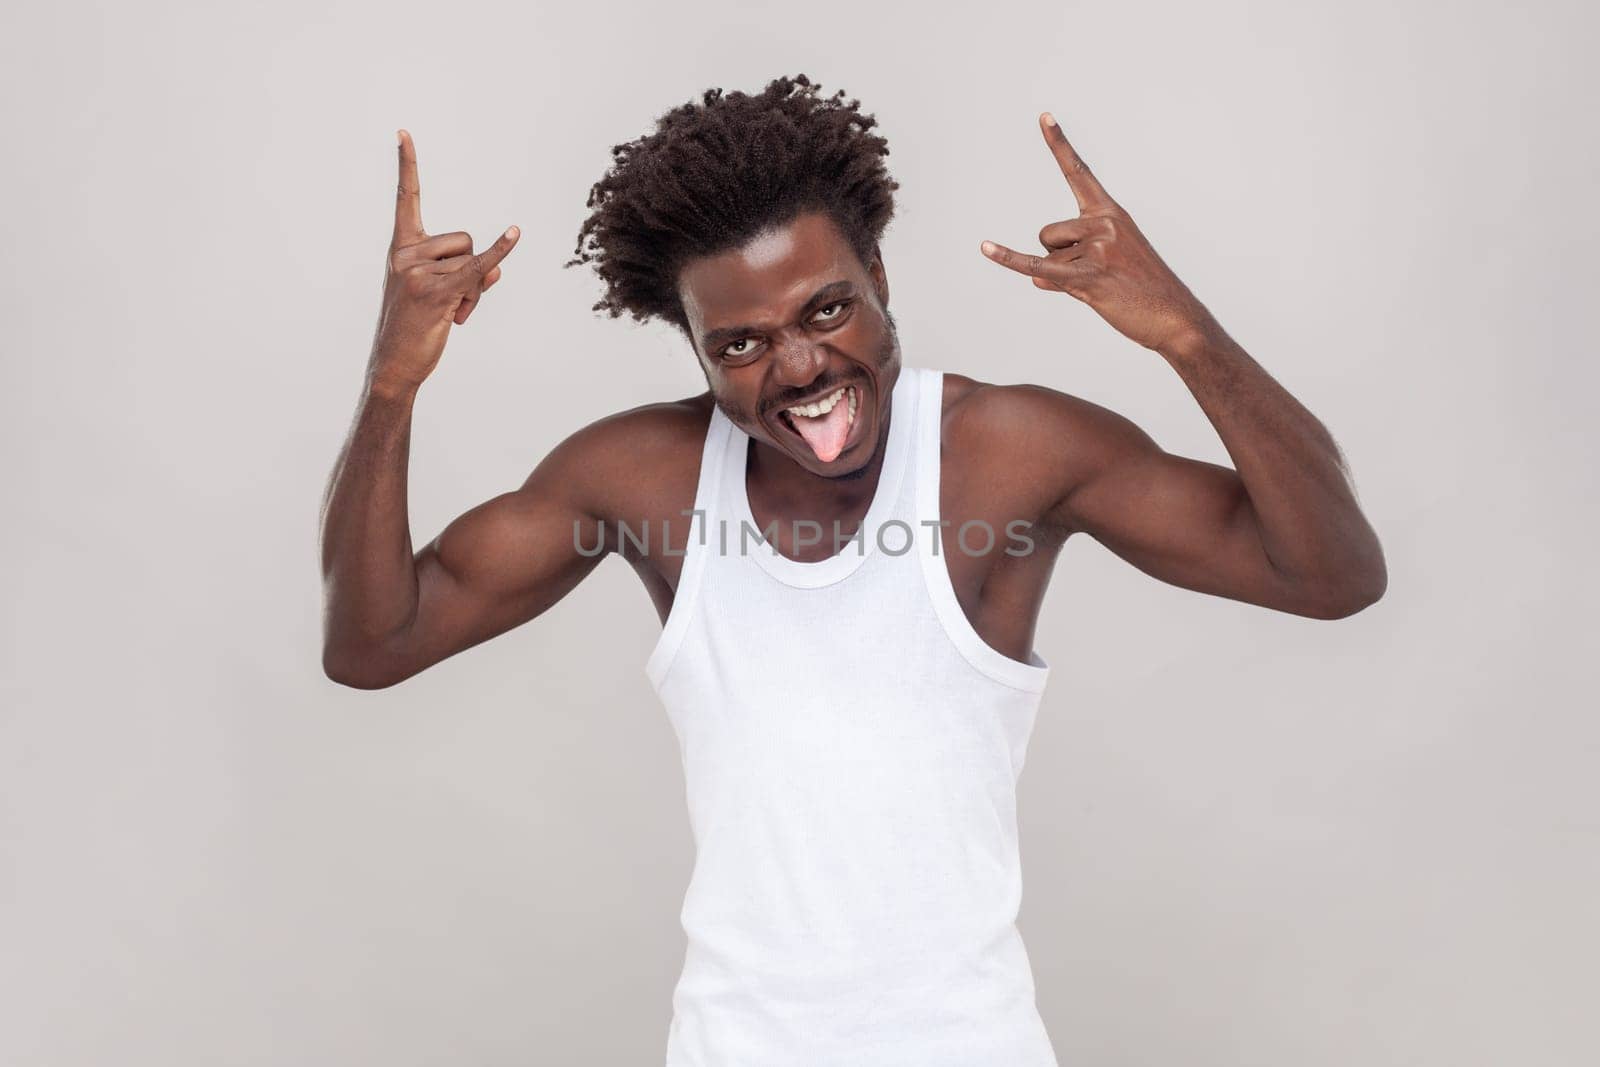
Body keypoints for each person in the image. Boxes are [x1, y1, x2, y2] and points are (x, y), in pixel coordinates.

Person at [318, 73, 1385, 1066]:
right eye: (738, 344)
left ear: (876, 277)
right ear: (690, 345)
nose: (798, 368)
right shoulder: (638, 474)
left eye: (825, 309)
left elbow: (1329, 575)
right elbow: (374, 642)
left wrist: (1187, 337)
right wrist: (391, 384)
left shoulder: (1009, 450)